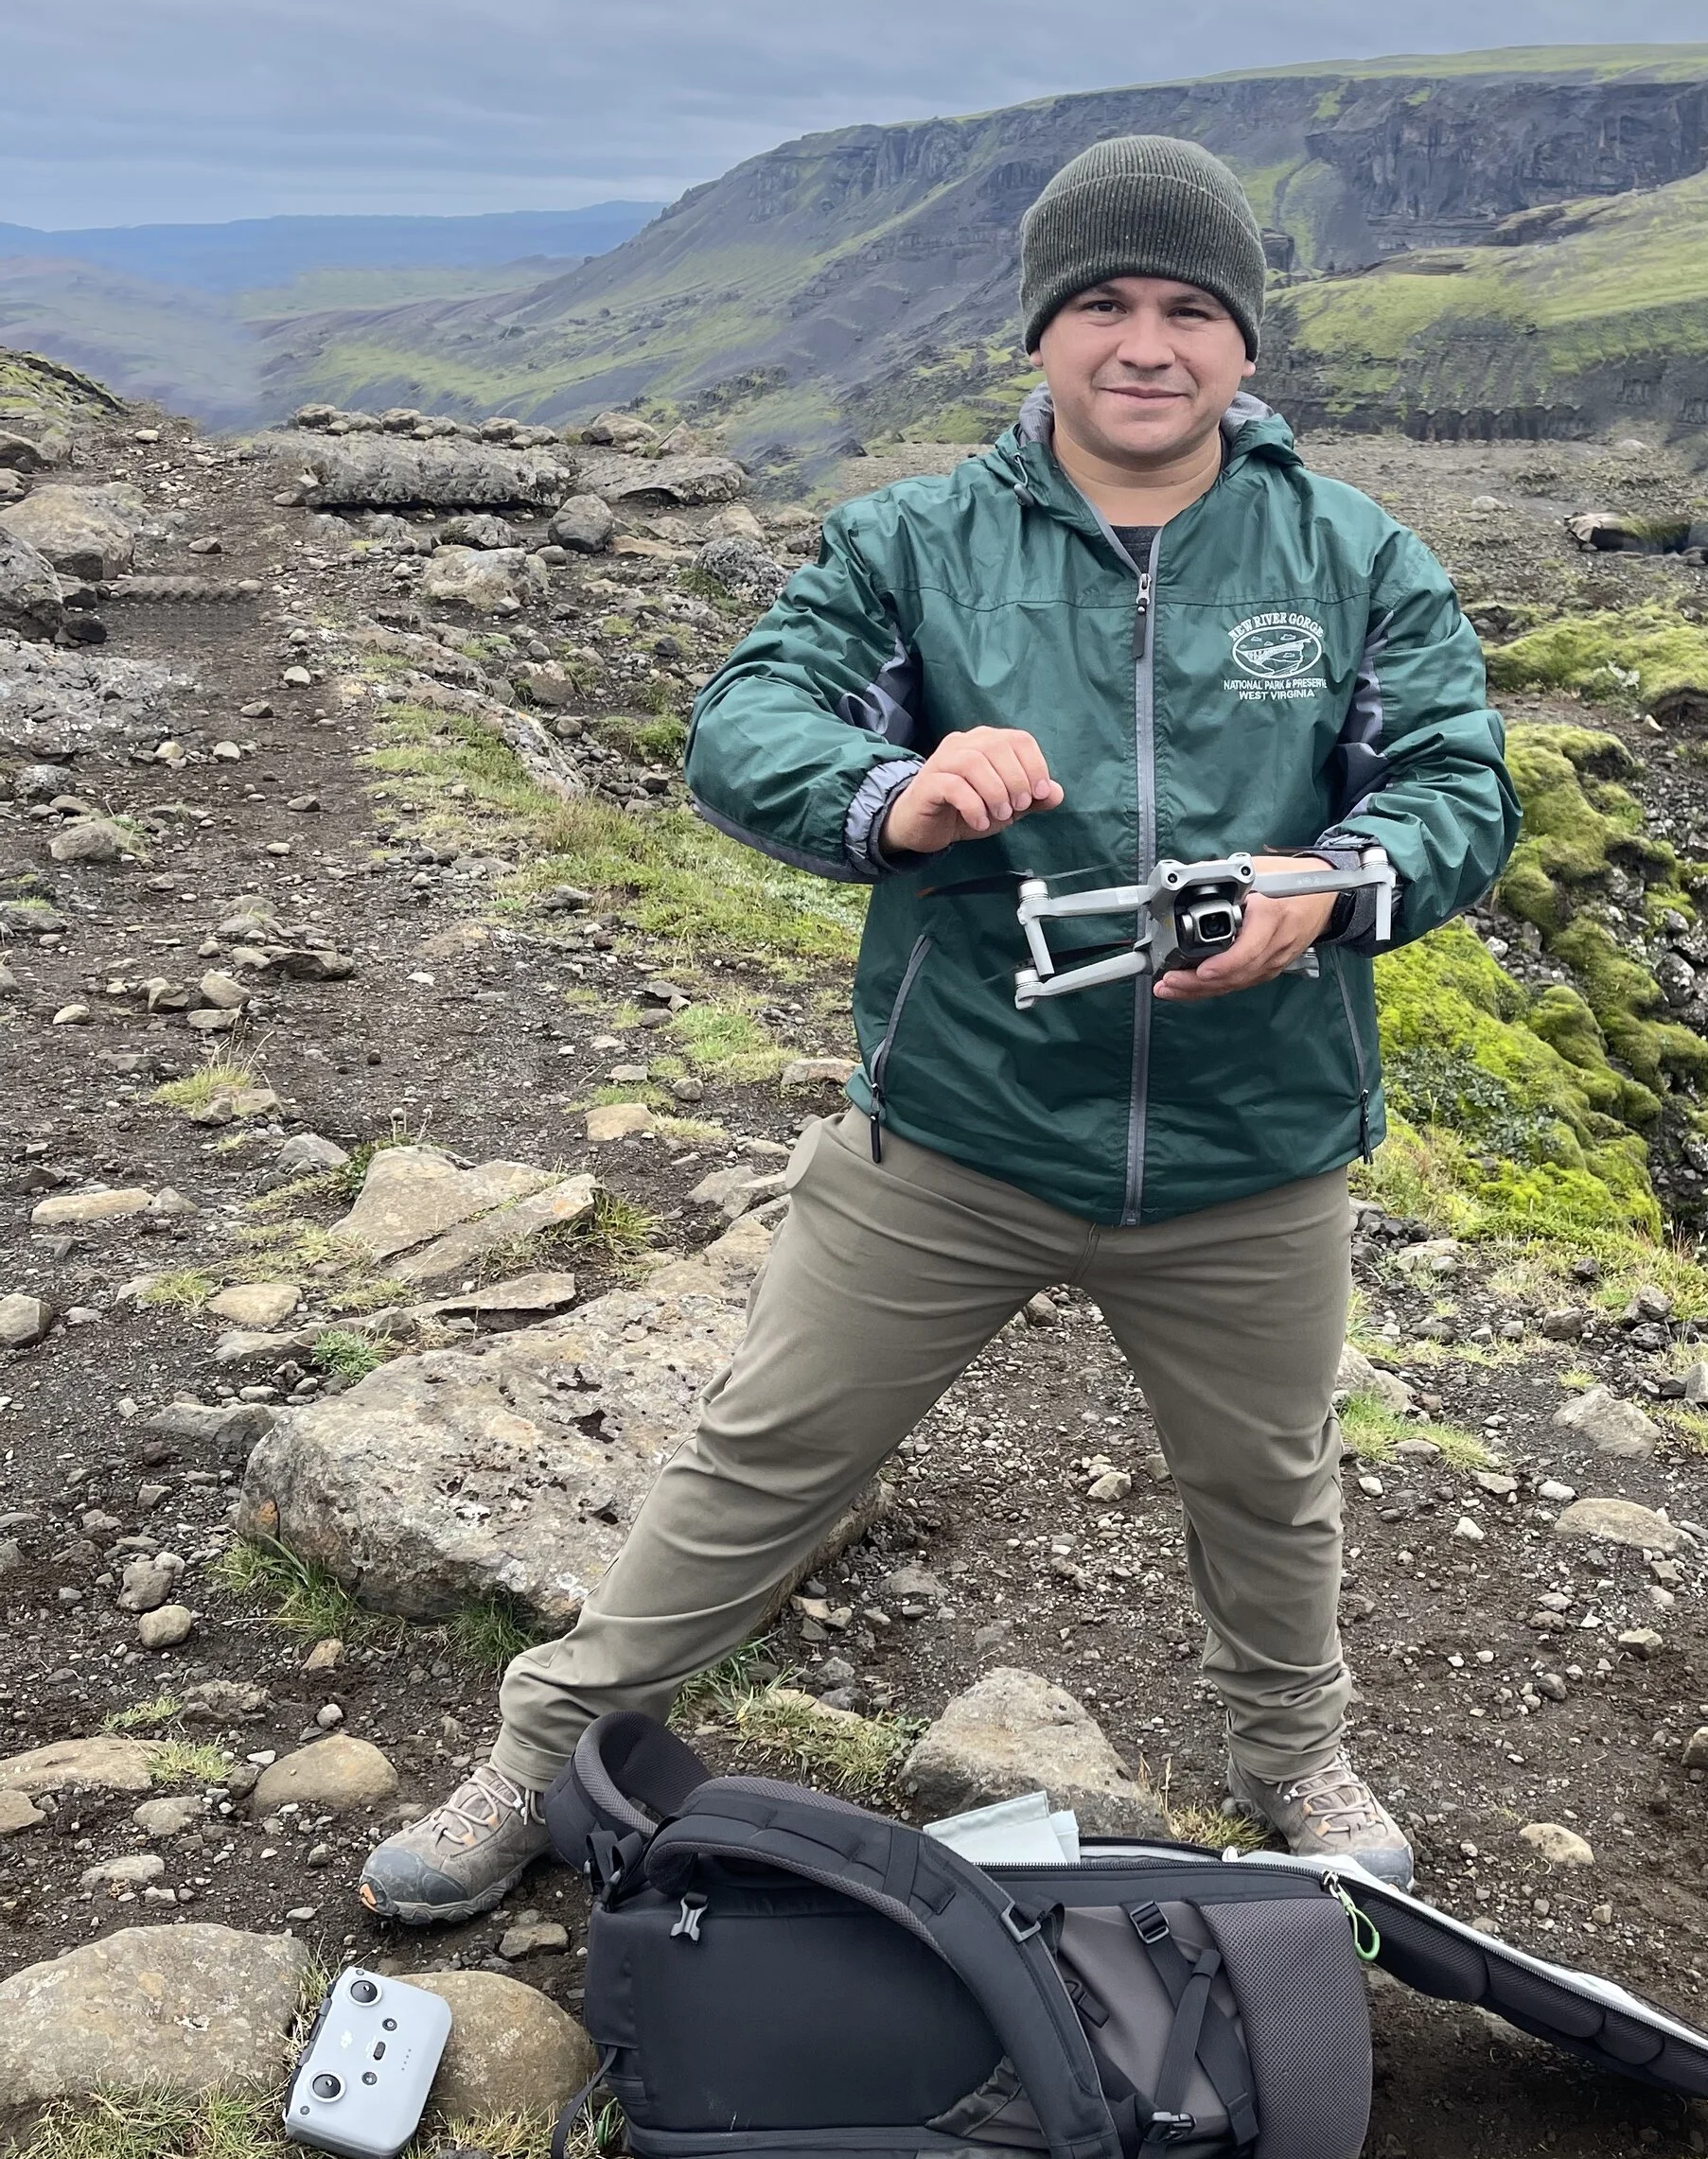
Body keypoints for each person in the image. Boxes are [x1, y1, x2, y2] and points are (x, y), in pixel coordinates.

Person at [359, 133, 1520, 1925]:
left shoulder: (1349, 554)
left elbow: (1458, 783)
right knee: (762, 1455)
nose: (1146, 344)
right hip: (955, 1129)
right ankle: (542, 1754)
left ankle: (1292, 1754)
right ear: (1042, 334)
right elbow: (747, 723)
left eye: (1190, 310)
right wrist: (891, 789)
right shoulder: (916, 543)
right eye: (1105, 306)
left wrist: (1335, 882)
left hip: (1249, 1147)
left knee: (1267, 1488)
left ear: (1246, 346)